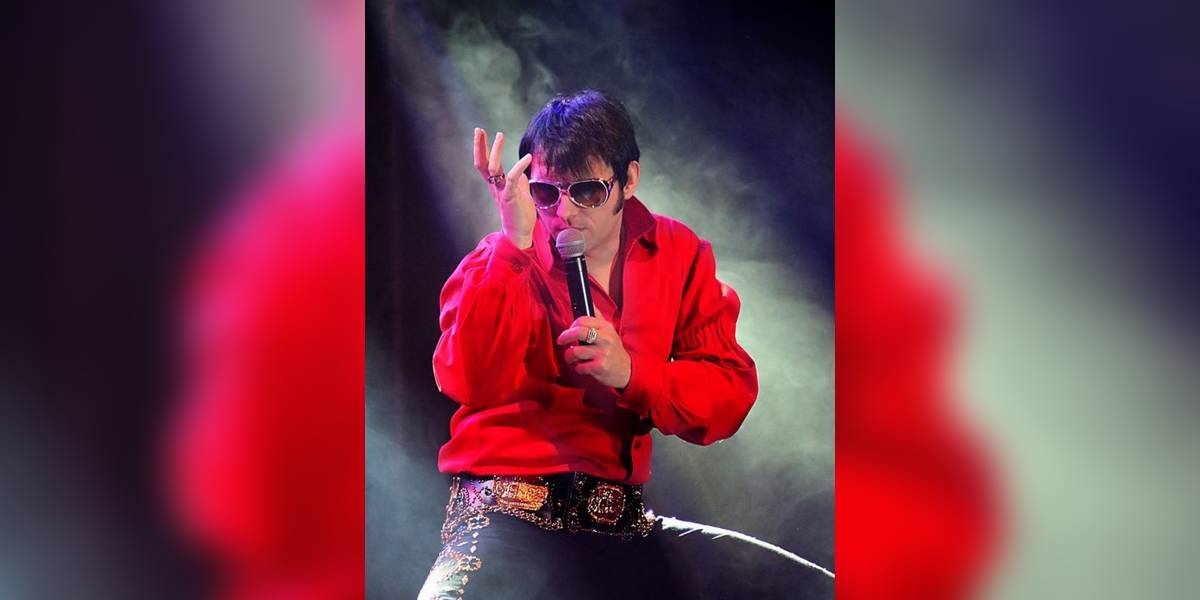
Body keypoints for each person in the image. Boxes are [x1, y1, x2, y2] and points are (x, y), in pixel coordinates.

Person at [419, 90, 759, 599]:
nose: (566, 212)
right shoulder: (498, 259)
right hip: (505, 512)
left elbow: (728, 391)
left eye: (588, 192)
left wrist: (632, 374)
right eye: (546, 193)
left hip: (620, 522)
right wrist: (514, 246)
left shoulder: (678, 253)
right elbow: (464, 379)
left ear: (629, 180)